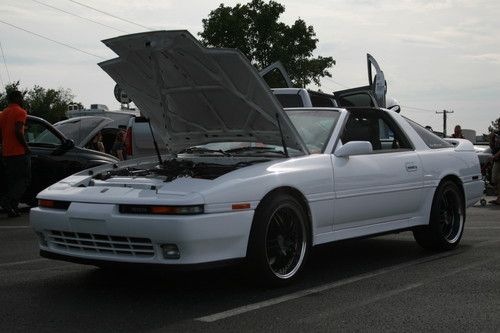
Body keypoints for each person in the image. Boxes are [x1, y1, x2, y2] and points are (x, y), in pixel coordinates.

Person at [0, 90, 30, 217]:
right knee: (24, 179)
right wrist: (26, 147)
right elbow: (18, 131)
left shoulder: (3, 113)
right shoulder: (21, 112)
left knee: (13, 181)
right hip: (19, 152)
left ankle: (13, 208)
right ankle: (7, 201)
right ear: (18, 98)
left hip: (7, 152)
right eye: (21, 97)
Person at [488, 130, 500, 205]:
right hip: (496, 160)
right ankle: (499, 198)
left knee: (496, 179)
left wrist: (495, 156)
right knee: (495, 179)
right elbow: (492, 146)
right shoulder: (497, 134)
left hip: (498, 159)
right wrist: (491, 139)